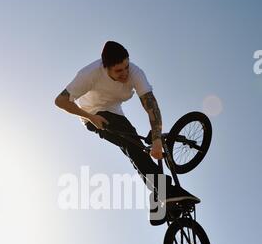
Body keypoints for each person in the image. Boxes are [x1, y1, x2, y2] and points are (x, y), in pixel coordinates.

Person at [55, 41, 199, 223]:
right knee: (130, 144)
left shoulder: (135, 73)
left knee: (137, 148)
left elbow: (151, 107)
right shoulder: (89, 74)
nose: (124, 74)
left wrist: (156, 140)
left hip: (115, 113)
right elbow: (60, 101)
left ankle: (157, 201)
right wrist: (90, 117)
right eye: (118, 71)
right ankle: (166, 190)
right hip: (93, 115)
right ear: (105, 67)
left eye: (126, 67)